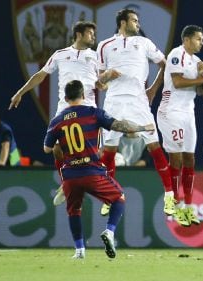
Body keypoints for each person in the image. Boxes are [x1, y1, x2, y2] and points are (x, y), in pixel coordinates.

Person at [44, 80, 155, 259]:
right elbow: (119, 126)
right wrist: (142, 127)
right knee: (119, 198)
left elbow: (48, 149)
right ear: (83, 95)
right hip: (92, 171)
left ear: (65, 98)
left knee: (74, 211)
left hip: (71, 175)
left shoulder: (56, 121)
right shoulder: (93, 113)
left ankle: (79, 251)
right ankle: (109, 232)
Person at [10, 21, 102, 205]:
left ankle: (85, 185)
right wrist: (20, 92)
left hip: (88, 109)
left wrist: (104, 83)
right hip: (65, 108)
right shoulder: (60, 55)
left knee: (95, 154)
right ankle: (67, 182)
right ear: (78, 34)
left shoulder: (96, 57)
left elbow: (104, 81)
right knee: (57, 148)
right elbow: (40, 75)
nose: (93, 36)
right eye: (90, 33)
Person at [96, 8, 176, 220]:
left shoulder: (144, 43)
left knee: (155, 148)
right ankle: (109, 198)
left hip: (139, 102)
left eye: (138, 20)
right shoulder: (104, 46)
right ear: (123, 22)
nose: (138, 24)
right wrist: (106, 75)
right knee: (108, 152)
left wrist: (153, 89)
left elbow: (164, 64)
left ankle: (169, 195)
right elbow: (98, 82)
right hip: (113, 102)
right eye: (134, 20)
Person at [157, 25, 203, 226]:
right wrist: (202, 78)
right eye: (199, 39)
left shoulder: (196, 61)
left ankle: (188, 207)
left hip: (187, 113)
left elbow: (199, 90)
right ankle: (174, 204)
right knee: (175, 159)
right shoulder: (177, 53)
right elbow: (177, 82)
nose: (202, 42)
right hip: (171, 111)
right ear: (187, 39)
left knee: (189, 159)